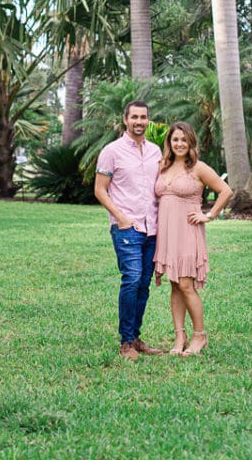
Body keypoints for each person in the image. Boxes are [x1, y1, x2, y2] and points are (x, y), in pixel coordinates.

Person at [153, 121, 233, 356]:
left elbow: (225, 190)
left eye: (183, 140)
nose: (179, 144)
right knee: (174, 284)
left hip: (187, 232)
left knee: (186, 284)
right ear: (169, 142)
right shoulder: (162, 166)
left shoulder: (198, 167)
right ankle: (180, 336)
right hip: (166, 234)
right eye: (175, 139)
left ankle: (200, 336)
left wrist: (208, 215)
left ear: (190, 143)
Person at [94, 100, 163, 360]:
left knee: (144, 284)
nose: (139, 122)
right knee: (132, 279)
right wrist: (120, 218)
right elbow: (100, 189)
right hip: (127, 228)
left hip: (152, 228)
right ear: (125, 120)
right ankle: (125, 342)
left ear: (148, 120)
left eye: (143, 117)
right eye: (134, 117)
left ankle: (135, 337)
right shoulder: (111, 151)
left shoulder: (156, 151)